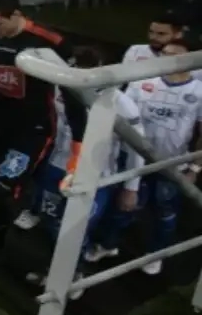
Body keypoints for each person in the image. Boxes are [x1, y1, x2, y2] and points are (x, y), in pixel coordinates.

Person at [0, 0, 84, 273]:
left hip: (31, 131)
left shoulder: (50, 43)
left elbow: (73, 95)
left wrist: (78, 148)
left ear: (16, 15)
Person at [17, 46, 143, 300]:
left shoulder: (122, 105)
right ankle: (52, 270)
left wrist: (131, 187)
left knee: (74, 230)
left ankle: (74, 274)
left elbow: (137, 149)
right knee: (51, 223)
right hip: (57, 168)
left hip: (95, 176)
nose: (79, 74)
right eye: (76, 67)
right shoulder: (61, 87)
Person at [86, 37, 202, 276]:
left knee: (164, 213)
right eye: (164, 54)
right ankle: (108, 245)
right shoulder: (141, 83)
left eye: (175, 55)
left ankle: (155, 254)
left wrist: (194, 168)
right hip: (132, 159)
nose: (166, 59)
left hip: (171, 164)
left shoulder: (199, 92)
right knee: (121, 207)